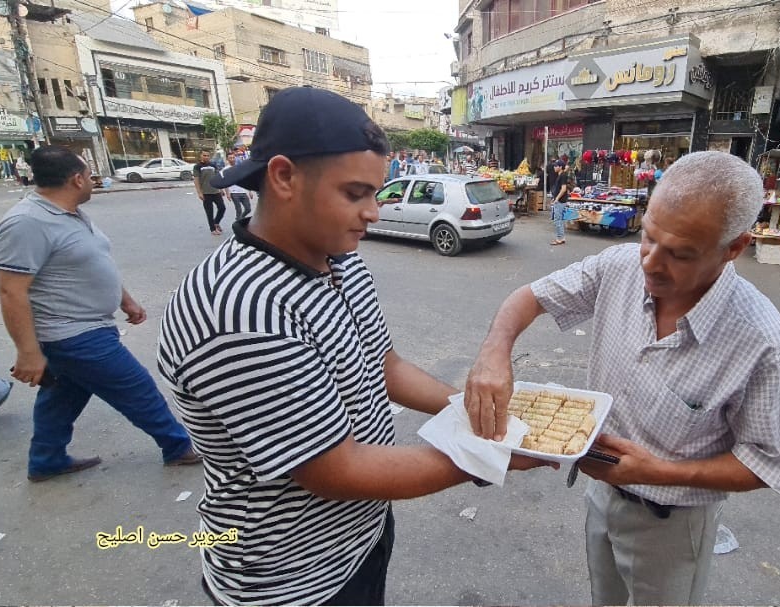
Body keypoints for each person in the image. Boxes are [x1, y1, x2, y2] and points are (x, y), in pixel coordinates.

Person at [158, 87, 544, 606]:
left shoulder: (338, 257)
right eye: (355, 194)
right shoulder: (240, 308)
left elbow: (383, 366)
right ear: (284, 177)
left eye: (376, 194)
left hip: (357, 538)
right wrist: (488, 455)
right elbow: (332, 469)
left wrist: (478, 411)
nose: (374, 214)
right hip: (288, 579)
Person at [464, 151, 780, 606]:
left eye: (681, 254)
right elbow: (529, 297)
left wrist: (659, 472)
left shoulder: (765, 345)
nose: (650, 263)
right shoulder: (618, 266)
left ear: (734, 248)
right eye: (648, 237)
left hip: (672, 524)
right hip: (600, 494)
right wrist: (494, 353)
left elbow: (768, 462)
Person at [0, 146, 200, 482]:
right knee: (136, 387)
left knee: (62, 396)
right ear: (76, 179)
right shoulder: (25, 223)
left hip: (87, 328)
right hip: (72, 334)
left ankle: (46, 459)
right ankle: (177, 447)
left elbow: (88, 264)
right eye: (90, 175)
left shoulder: (69, 212)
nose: (93, 180)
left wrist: (125, 300)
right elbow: (10, 291)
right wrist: (28, 353)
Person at [193, 151, 226, 236]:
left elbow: (217, 177)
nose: (206, 157)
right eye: (204, 155)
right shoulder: (197, 167)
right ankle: (213, 229)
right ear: (200, 156)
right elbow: (196, 180)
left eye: (208, 155)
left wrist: (221, 189)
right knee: (209, 212)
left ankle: (216, 222)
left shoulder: (213, 165)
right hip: (206, 193)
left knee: (222, 208)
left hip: (216, 191)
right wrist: (199, 192)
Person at [222, 152, 253, 221]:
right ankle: (239, 222)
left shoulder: (239, 167)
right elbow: (225, 182)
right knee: (238, 209)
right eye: (230, 158)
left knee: (248, 209)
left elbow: (244, 180)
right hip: (233, 192)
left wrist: (249, 191)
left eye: (233, 157)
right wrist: (227, 193)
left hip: (242, 191)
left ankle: (240, 218)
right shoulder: (225, 170)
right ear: (227, 159)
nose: (232, 159)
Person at [550, 159, 570, 245]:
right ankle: (561, 237)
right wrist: (554, 198)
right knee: (559, 219)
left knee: (557, 219)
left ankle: (559, 238)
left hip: (560, 201)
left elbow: (563, 189)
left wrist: (557, 198)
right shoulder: (561, 174)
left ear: (560, 167)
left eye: (556, 166)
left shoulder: (563, 175)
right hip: (559, 200)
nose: (554, 167)